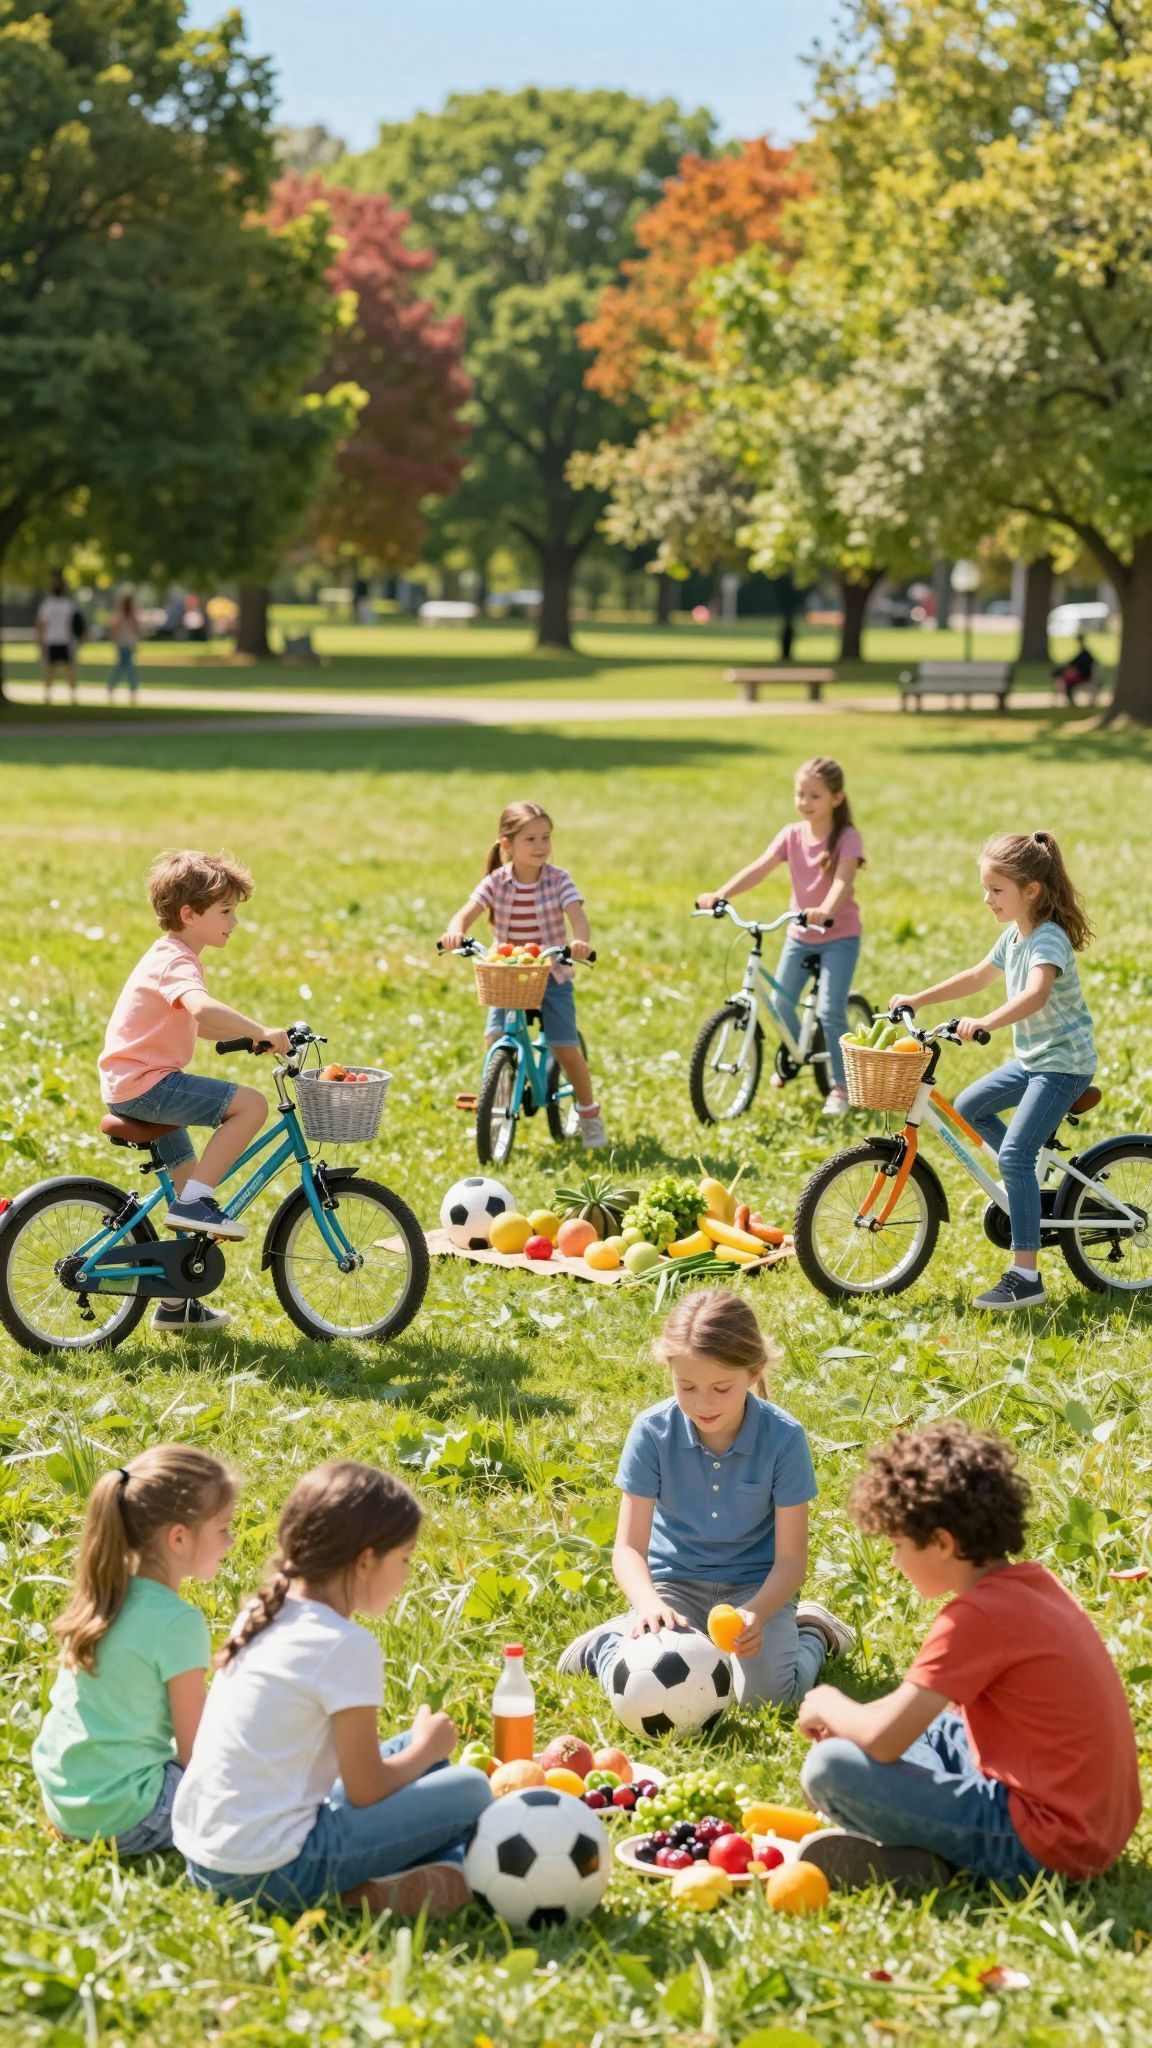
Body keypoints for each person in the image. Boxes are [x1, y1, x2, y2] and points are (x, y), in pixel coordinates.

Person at [795, 1423, 1141, 1892]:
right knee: (934, 1725)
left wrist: (829, 1703)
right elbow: (907, 1718)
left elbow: (882, 1740)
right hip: (1091, 1823)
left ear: (941, 1542)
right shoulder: (1032, 1584)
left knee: (830, 1768)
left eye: (898, 1546)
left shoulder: (975, 1618)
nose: (895, 1562)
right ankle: (922, 1857)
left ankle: (945, 1862)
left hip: (1046, 1846)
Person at [173, 1462, 492, 1917]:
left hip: (205, 1857)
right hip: (268, 1871)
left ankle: (414, 1868)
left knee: (418, 1756)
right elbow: (365, 1788)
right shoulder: (344, 1645)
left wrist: (420, 1752)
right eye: (403, 1559)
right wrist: (426, 1748)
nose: (406, 1574)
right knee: (471, 1790)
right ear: (365, 1560)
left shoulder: (269, 1611)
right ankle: (379, 1890)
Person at [557, 1288, 855, 1705]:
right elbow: (627, 1548)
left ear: (754, 1373)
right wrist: (648, 1604)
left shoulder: (784, 1438)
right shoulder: (652, 1432)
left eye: (721, 1388)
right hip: (673, 1587)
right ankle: (604, 1646)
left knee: (767, 1698)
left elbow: (791, 1561)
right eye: (687, 1386)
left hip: (756, 1588)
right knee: (642, 1691)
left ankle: (814, 1634)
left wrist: (757, 1614)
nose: (703, 1403)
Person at [890, 828, 1095, 1310]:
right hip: (1034, 1061)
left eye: (996, 890)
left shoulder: (1048, 940)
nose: (987, 899)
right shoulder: (1013, 935)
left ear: (1031, 891)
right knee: (969, 1106)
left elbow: (1036, 993)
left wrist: (986, 1021)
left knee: (1015, 1157)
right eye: (985, 889)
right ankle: (1025, 1185)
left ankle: (1027, 1278)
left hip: (1063, 1066)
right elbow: (978, 975)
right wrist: (919, 997)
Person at [98, 850, 290, 1332]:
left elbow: (192, 1021)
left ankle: (175, 1305)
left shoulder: (173, 956)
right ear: (190, 914)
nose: (235, 921)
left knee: (190, 1200)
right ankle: (194, 1201)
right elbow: (201, 1010)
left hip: (136, 1084)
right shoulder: (175, 962)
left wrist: (248, 1039)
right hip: (148, 1087)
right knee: (251, 1105)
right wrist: (263, 1030)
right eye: (225, 911)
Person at [31, 1447, 236, 1853]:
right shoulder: (178, 1622)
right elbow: (196, 1756)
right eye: (224, 1528)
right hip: (127, 1815)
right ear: (179, 1537)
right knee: (254, 1786)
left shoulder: (105, 1594)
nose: (231, 1541)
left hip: (65, 1801)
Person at [696, 756, 866, 1116]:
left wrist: (827, 910)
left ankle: (841, 1086)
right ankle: (795, 1050)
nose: (805, 802)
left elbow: (842, 880)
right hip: (800, 934)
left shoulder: (846, 838)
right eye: (800, 794)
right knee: (781, 1002)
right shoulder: (791, 835)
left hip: (838, 935)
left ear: (837, 798)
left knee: (831, 1011)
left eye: (814, 796)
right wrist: (721, 893)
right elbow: (760, 867)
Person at [440, 799, 606, 1148]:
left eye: (546, 837)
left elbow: (577, 915)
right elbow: (464, 914)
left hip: (552, 973)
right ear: (507, 844)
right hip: (507, 978)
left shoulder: (558, 880)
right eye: (530, 839)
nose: (541, 846)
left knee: (564, 1048)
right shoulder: (496, 882)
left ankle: (589, 1113)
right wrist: (454, 932)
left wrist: (580, 942)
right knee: (494, 1039)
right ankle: (495, 1109)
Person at [36, 573, 80, 705]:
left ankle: (48, 695)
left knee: (50, 669)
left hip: (52, 640)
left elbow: (41, 624)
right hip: (65, 640)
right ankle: (72, 696)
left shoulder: (48, 605)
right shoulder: (69, 605)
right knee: (69, 669)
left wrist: (40, 640)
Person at [107, 589, 141, 702]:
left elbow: (114, 629)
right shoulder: (125, 614)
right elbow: (136, 629)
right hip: (126, 644)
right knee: (127, 668)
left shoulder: (123, 614)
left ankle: (113, 687)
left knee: (123, 668)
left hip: (123, 643)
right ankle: (129, 689)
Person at [1052, 633, 1096, 706]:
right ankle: (1070, 700)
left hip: (1084, 676)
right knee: (1064, 676)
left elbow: (1079, 665)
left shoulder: (1085, 654)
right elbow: (1072, 663)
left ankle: (1071, 701)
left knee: (1067, 681)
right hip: (1081, 674)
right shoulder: (1083, 653)